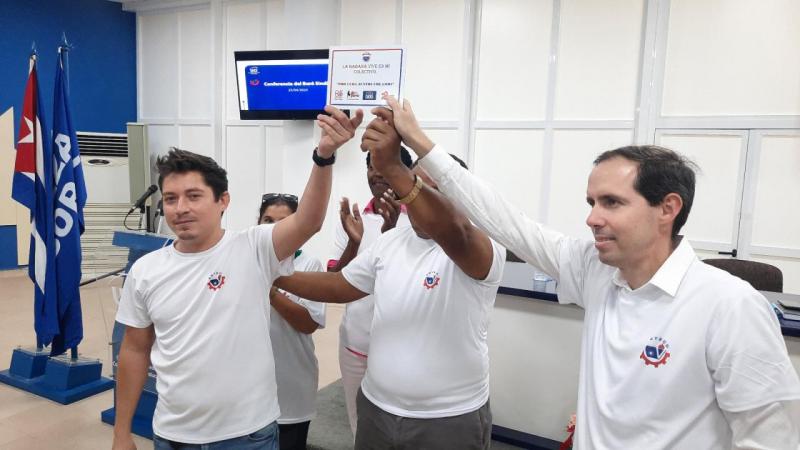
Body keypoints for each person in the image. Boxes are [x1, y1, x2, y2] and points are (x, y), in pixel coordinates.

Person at [379, 94, 800, 449]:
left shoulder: (729, 305)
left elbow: (770, 439)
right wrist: (420, 144)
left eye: (611, 203)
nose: (592, 219)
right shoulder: (597, 272)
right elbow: (508, 222)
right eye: (591, 203)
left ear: (667, 209)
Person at [112, 105, 363, 450]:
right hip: (171, 435)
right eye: (171, 199)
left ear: (223, 201)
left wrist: (324, 156)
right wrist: (121, 432)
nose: (180, 208)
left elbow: (308, 221)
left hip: (246, 436)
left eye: (194, 196)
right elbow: (134, 350)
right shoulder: (146, 271)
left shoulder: (253, 247)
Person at [274, 113, 506, 450]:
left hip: (448, 418)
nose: (418, 197)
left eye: (431, 190)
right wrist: (276, 275)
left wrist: (393, 163)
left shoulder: (482, 245)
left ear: (460, 200)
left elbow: (455, 233)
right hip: (378, 408)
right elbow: (339, 285)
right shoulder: (391, 242)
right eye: (415, 186)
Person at [327, 148, 413, 437]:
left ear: (406, 173)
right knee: (359, 424)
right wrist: (354, 242)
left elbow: (411, 282)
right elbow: (335, 279)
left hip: (400, 346)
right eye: (370, 166)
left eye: (384, 166)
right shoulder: (355, 218)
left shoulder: (419, 221)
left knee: (397, 427)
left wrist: (390, 234)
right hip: (356, 341)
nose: (376, 173)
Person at [258, 193, 326, 450]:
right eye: (267, 219)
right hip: (250, 391)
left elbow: (308, 323)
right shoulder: (245, 260)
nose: (273, 228)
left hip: (292, 385)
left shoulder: (309, 264)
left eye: (283, 221)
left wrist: (271, 288)